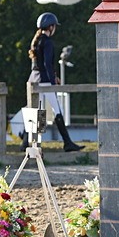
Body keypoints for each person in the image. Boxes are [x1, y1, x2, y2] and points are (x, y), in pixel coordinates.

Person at [27, 12, 83, 152]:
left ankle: (28, 142)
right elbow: (47, 64)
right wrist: (53, 82)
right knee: (57, 110)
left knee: (36, 112)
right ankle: (67, 142)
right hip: (45, 81)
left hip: (34, 79)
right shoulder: (48, 42)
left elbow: (37, 64)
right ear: (51, 27)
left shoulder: (37, 41)